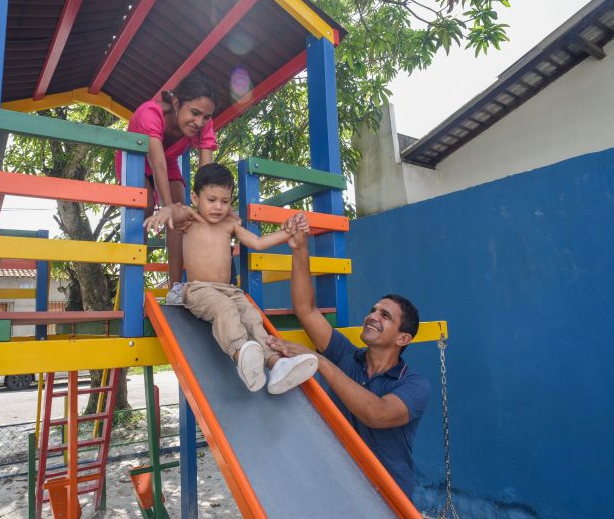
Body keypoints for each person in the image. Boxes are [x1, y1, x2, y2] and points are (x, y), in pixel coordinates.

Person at [268, 224, 431, 498]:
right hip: (339, 489)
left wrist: (320, 363)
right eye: (373, 310)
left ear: (403, 339)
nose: (372, 316)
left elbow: (377, 414)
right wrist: (300, 249)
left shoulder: (415, 384)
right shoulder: (346, 354)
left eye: (385, 316)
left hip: (389, 497)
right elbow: (306, 310)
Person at [148, 163, 318, 394]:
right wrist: (168, 210)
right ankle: (241, 355)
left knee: (251, 316)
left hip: (228, 289)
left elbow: (257, 243)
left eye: (225, 201)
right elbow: (178, 212)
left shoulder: (230, 224)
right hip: (198, 290)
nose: (218, 206)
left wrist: (289, 232)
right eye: (212, 200)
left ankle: (276, 365)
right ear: (196, 199)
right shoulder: (191, 219)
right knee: (226, 309)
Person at [117, 71, 218, 298]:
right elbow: (156, 162)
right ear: (176, 102)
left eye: (205, 116)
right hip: (135, 159)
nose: (199, 122)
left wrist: (207, 207)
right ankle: (132, 291)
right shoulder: (150, 113)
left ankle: (175, 290)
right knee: (143, 205)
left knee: (181, 212)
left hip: (168, 159)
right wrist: (167, 205)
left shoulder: (204, 124)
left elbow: (206, 171)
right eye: (194, 113)